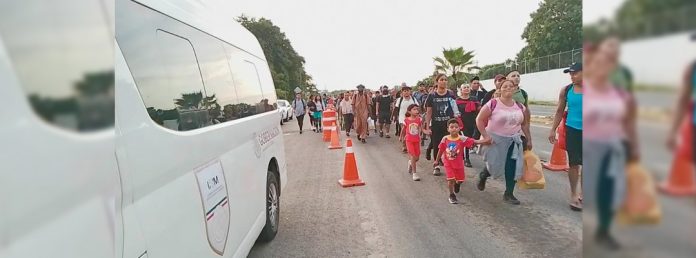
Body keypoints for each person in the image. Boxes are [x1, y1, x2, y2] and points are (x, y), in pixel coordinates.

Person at [583, 43, 638, 250]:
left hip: (614, 146)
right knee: (591, 190)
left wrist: (634, 146)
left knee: (611, 190)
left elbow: (629, 121)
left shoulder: (621, 94)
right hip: (590, 148)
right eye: (598, 63)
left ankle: (603, 230)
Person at [475, 79, 529, 205]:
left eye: (511, 86)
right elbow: (479, 120)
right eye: (505, 86)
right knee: (494, 165)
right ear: (499, 89)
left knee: (512, 166)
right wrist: (485, 136)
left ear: (515, 89)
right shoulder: (493, 103)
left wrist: (529, 139)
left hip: (514, 140)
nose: (508, 88)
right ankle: (484, 174)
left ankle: (509, 193)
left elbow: (525, 124)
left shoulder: (520, 106)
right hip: (495, 140)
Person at [549, 62, 584, 211]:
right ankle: (574, 195)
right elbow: (559, 111)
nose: (572, 76)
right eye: (570, 74)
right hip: (572, 130)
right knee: (574, 164)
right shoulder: (567, 90)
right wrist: (552, 129)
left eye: (575, 73)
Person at [437, 118, 487, 204]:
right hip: (448, 163)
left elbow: (475, 141)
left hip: (459, 164)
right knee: (450, 179)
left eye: (456, 127)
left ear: (459, 128)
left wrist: (486, 140)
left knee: (460, 180)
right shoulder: (445, 139)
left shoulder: (462, 139)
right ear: (448, 129)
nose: (454, 129)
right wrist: (436, 161)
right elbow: (440, 150)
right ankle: (452, 195)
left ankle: (457, 184)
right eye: (451, 127)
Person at [424, 74, 460, 176]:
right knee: (437, 145)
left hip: (449, 125)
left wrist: (457, 121)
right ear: (437, 82)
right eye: (441, 80)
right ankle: (436, 166)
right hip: (436, 124)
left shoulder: (450, 94)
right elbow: (429, 112)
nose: (443, 81)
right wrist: (427, 127)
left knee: (451, 145)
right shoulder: (431, 96)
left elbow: (454, 108)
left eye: (445, 80)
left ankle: (451, 165)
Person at [507, 70, 533, 151]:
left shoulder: (523, 93)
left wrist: (529, 139)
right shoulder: (502, 92)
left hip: (516, 129)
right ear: (507, 78)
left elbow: (526, 112)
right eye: (513, 76)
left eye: (518, 76)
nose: (516, 78)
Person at [455, 83, 481, 168]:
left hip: (473, 122)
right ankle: (466, 158)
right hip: (462, 123)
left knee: (470, 140)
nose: (466, 88)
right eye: (464, 87)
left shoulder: (474, 99)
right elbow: (455, 113)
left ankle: (465, 156)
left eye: (467, 87)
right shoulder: (457, 101)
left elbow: (479, 110)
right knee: (464, 140)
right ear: (461, 90)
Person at [400, 104, 426, 181]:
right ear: (409, 111)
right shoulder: (406, 120)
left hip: (417, 140)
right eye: (414, 109)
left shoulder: (419, 119)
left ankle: (410, 163)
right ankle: (415, 173)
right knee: (413, 156)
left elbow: (421, 128)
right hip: (409, 140)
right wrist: (401, 137)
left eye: (417, 109)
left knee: (417, 158)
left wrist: (425, 131)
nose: (416, 111)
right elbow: (403, 129)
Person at [394, 86, 420, 153]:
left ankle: (410, 144)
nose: (406, 92)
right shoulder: (399, 100)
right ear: (402, 92)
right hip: (402, 118)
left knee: (410, 132)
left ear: (410, 92)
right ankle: (404, 146)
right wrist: (395, 117)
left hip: (412, 119)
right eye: (404, 91)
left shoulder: (413, 99)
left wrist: (418, 115)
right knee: (404, 132)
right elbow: (396, 109)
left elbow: (417, 108)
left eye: (408, 91)